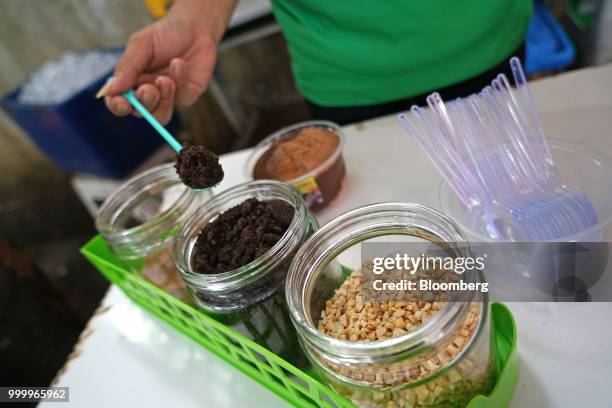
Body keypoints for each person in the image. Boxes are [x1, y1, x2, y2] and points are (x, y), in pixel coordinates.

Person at [98, 0, 532, 125]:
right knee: (396, 272)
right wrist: (195, 18)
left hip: (490, 46)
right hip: (348, 85)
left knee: (515, 258)